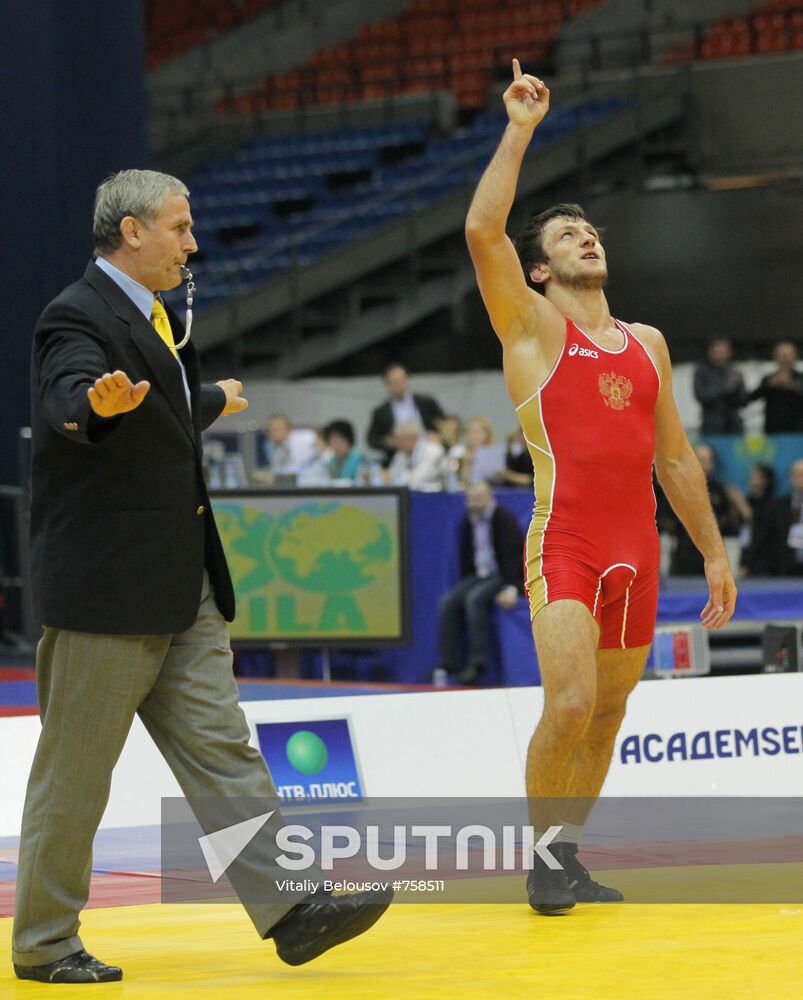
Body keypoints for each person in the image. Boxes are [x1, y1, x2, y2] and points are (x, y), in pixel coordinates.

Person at [13, 169, 390, 984]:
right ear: (132, 233)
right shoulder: (74, 313)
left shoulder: (152, 316)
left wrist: (207, 396)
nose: (192, 243)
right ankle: (44, 944)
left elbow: (154, 410)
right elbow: (67, 398)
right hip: (108, 595)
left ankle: (293, 909)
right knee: (74, 777)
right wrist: (93, 406)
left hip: (182, 584)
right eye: (179, 229)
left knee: (225, 750)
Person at [465, 62, 736, 916]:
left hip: (636, 546)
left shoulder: (646, 342)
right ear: (538, 272)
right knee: (572, 700)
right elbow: (481, 230)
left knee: (612, 711)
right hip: (567, 541)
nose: (586, 237)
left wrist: (714, 552)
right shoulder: (531, 328)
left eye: (591, 230)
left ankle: (566, 855)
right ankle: (541, 858)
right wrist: (519, 128)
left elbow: (676, 460)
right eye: (566, 235)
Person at [435, 481, 524, 684]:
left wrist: (512, 588)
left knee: (474, 600)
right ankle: (446, 662)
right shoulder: (468, 521)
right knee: (448, 601)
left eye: (477, 499)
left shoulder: (503, 519)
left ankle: (477, 663)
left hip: (501, 574)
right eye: (470, 500)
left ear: (488, 499)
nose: (473, 504)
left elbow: (514, 557)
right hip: (478, 574)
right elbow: (467, 555)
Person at [669, 444, 743, 575]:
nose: (706, 464)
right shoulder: (677, 486)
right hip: (685, 552)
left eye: (709, 460)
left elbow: (727, 518)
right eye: (702, 460)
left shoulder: (718, 489)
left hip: (712, 554)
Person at [367, 363, 444, 466]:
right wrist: (389, 441)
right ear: (387, 385)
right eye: (394, 382)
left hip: (428, 453)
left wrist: (437, 435)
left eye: (400, 380)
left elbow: (444, 424)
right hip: (397, 457)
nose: (398, 385)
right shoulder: (381, 412)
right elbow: (372, 439)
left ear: (407, 380)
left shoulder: (426, 403)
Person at [693, 338, 747, 435]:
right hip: (712, 424)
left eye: (723, 352)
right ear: (710, 353)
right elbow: (701, 395)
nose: (720, 355)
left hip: (733, 424)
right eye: (717, 351)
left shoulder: (735, 373)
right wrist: (726, 389)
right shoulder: (701, 372)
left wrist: (738, 389)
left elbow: (743, 401)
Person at [748, 341, 803, 434]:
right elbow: (750, 398)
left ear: (795, 357)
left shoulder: (801, 378)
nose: (785, 359)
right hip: (773, 431)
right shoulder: (768, 379)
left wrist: (792, 386)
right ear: (775, 358)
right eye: (781, 356)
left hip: (798, 431)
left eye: (787, 356)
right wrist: (768, 386)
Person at [738, 464, 777, 576]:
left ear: (766, 481)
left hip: (763, 559)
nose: (754, 480)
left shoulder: (771, 504)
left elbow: (761, 532)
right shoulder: (748, 500)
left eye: (758, 477)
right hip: (745, 551)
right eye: (752, 477)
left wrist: (745, 510)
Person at [386, 420, 445, 489]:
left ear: (412, 438)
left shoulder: (433, 450)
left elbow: (417, 480)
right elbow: (392, 474)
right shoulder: (400, 454)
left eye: (400, 440)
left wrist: (391, 477)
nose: (397, 444)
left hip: (433, 496)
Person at [773, 459, 803, 576]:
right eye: (797, 474)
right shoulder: (779, 505)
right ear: (791, 477)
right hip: (786, 569)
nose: (801, 478)